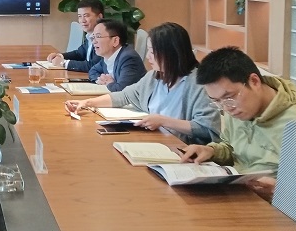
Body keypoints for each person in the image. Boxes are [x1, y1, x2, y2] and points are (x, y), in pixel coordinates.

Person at [180, 46, 296, 199]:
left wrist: (281, 191)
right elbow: (232, 148)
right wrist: (211, 151)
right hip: (240, 193)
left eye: (229, 97)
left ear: (254, 81)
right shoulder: (238, 109)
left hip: (279, 209)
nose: (226, 108)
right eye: (217, 101)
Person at [65, 22, 220, 145]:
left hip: (179, 151)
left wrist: (163, 121)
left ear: (171, 53)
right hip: (152, 143)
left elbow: (207, 129)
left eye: (152, 52)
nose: (148, 57)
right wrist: (87, 103)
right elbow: (124, 96)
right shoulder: (154, 76)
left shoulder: (198, 84)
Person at [47, 0, 104, 72]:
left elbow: (93, 65)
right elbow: (79, 54)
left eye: (86, 16)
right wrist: (60, 56)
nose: (82, 20)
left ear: (99, 17)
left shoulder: (104, 37)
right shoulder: (90, 35)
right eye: (80, 16)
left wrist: (63, 63)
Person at [87, 19, 146, 91]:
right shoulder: (108, 56)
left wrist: (109, 84)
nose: (94, 41)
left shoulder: (129, 58)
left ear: (115, 41)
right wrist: (102, 80)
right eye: (93, 37)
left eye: (98, 36)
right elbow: (93, 71)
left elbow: (122, 90)